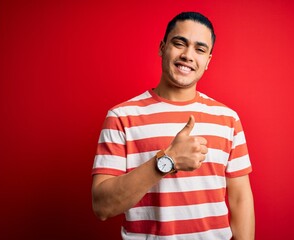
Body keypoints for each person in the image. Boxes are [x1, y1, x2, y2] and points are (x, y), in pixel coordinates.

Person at [91, 11, 255, 239]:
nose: (188, 55)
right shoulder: (122, 116)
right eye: (180, 43)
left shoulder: (228, 119)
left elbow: (240, 199)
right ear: (162, 48)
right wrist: (168, 161)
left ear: (207, 61)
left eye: (200, 49)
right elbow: (102, 206)